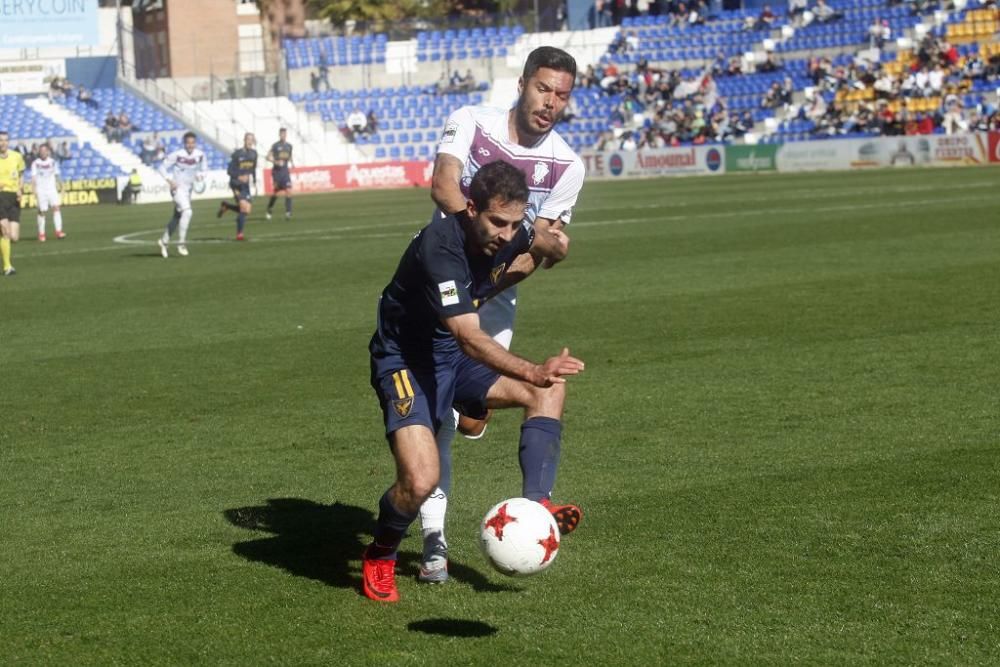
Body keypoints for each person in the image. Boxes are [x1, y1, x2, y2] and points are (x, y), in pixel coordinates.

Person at [361, 160, 581, 603]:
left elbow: (536, 241)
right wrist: (531, 370)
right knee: (420, 480)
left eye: (514, 222)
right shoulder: (440, 248)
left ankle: (537, 502)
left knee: (550, 390)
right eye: (497, 222)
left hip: (451, 357)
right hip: (406, 363)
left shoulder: (511, 230)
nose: (506, 232)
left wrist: (555, 249)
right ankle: (381, 554)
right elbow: (469, 335)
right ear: (470, 208)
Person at [418, 45, 586, 584]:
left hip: (496, 298)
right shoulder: (471, 122)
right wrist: (517, 237)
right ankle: (434, 544)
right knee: (442, 416)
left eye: (561, 95)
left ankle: (538, 508)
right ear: (522, 83)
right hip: (437, 283)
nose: (550, 102)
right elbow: (444, 186)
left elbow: (549, 250)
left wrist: (529, 258)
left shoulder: (567, 165)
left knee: (478, 409)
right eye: (543, 89)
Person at [156, 131, 206, 258]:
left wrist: (200, 176)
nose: (190, 145)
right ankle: (181, 243)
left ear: (195, 143)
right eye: (188, 143)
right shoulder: (177, 154)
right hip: (177, 188)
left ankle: (164, 241)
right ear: (184, 143)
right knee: (188, 212)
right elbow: (161, 167)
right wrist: (170, 180)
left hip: (188, 190)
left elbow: (204, 170)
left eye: (192, 143)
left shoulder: (200, 155)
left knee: (177, 217)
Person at [217, 132, 257, 241]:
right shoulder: (237, 154)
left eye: (251, 139)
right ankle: (240, 234)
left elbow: (253, 169)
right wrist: (239, 177)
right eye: (248, 139)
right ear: (244, 140)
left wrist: (254, 181)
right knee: (243, 207)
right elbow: (229, 171)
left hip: (245, 185)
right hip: (236, 183)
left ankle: (227, 206)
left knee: (247, 210)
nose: (250, 141)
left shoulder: (254, 154)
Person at [0, 130, 25, 276]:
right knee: (5, 231)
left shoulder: (17, 156)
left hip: (13, 198)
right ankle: (7, 267)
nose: (3, 142)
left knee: (14, 236)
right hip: (0, 197)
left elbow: (21, 175)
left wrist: (20, 189)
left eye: (5, 140)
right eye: (0, 140)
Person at [30, 144, 65, 242]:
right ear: (39, 152)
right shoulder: (35, 163)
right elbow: (33, 178)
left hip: (52, 190)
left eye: (45, 150)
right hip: (41, 191)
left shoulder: (53, 162)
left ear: (48, 151)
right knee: (42, 212)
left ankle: (59, 231)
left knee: (56, 208)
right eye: (41, 151)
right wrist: (34, 190)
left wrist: (62, 187)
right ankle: (41, 234)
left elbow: (57, 175)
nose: (43, 152)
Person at [265, 128, 294, 220]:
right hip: (277, 173)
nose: (283, 136)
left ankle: (288, 212)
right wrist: (276, 162)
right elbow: (267, 157)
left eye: (284, 134)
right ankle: (269, 208)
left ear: (286, 135)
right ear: (279, 135)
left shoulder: (289, 146)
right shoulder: (275, 146)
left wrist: (292, 163)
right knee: (276, 193)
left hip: (285, 172)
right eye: (282, 134)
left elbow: (290, 156)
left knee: (289, 191)